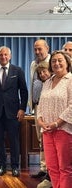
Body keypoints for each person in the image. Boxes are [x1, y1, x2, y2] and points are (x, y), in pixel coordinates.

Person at [0, 46, 28, 177]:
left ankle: (15, 166)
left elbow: (24, 91)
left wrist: (22, 108)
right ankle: (1, 166)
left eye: (5, 55)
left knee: (14, 140)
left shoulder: (18, 70)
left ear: (9, 56)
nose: (3, 57)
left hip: (13, 112)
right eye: (0, 55)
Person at [37, 50, 72, 188]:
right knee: (52, 168)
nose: (56, 63)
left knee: (65, 168)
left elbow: (71, 106)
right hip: (47, 131)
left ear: (67, 63)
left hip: (63, 130)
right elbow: (41, 104)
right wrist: (40, 121)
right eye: (53, 61)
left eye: (59, 60)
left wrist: (57, 123)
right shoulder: (47, 82)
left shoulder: (70, 80)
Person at [29, 39, 52, 188]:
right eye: (35, 49)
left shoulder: (53, 62)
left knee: (49, 139)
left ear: (47, 48)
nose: (37, 52)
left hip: (50, 107)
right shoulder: (33, 64)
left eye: (40, 49)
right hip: (38, 106)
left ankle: (50, 171)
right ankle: (44, 169)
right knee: (41, 139)